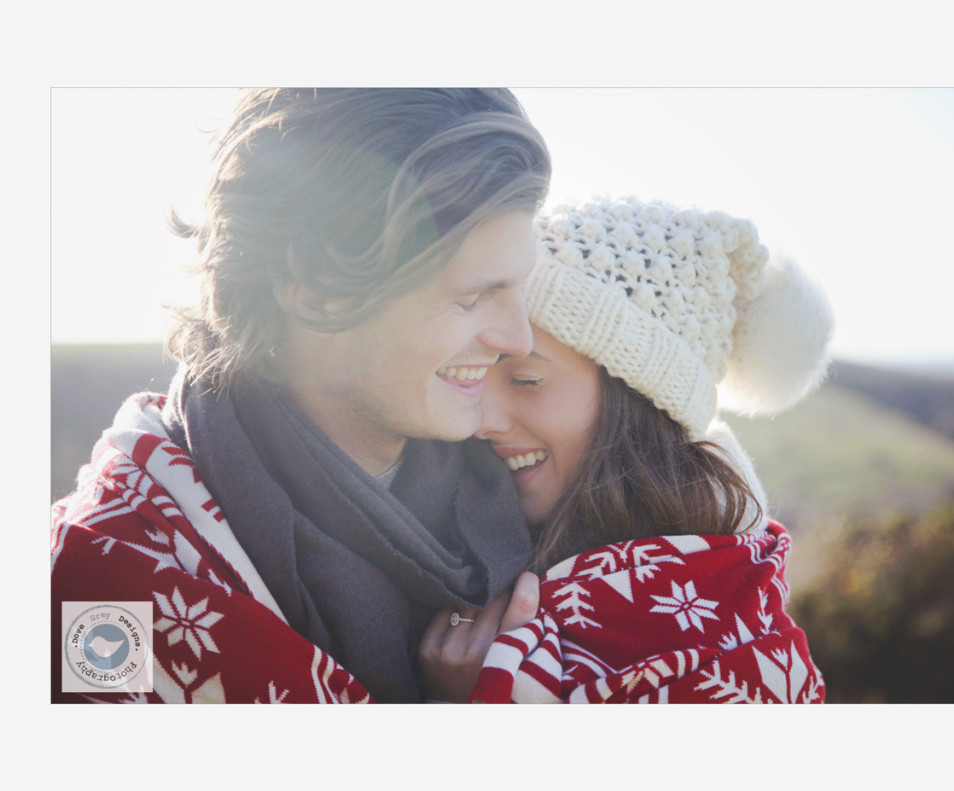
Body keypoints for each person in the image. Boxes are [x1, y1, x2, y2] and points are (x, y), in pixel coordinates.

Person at [50, 88, 551, 703]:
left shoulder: (551, 501)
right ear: (316, 293)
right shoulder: (101, 584)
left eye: (519, 287)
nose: (517, 338)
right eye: (472, 297)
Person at [419, 196, 833, 703]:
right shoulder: (469, 518)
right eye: (479, 371)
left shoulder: (731, 633)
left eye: (526, 379)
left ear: (637, 403)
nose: (482, 419)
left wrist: (480, 701)